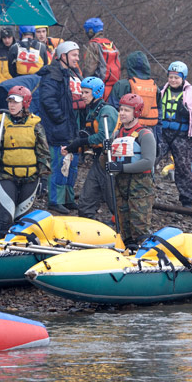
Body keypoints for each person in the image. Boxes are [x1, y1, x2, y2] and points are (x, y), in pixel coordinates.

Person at [0, 86, 50, 238]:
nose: (12, 105)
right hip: (7, 176)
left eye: (16, 102)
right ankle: (1, 242)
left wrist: (44, 179)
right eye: (10, 101)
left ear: (25, 103)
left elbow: (43, 153)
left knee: (21, 220)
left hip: (31, 178)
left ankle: (18, 246)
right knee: (6, 219)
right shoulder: (0, 124)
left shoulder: (35, 125)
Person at [157, 61, 192, 207]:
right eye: (171, 77)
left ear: (183, 78)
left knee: (183, 167)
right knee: (152, 158)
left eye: (176, 77)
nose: (173, 80)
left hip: (183, 136)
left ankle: (187, 199)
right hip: (163, 133)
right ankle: (142, 193)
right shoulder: (161, 91)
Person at [105, 93, 157, 250]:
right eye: (121, 109)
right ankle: (127, 248)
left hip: (140, 185)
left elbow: (148, 162)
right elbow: (106, 164)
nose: (122, 113)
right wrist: (105, 150)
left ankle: (144, 251)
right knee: (123, 222)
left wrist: (121, 168)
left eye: (127, 110)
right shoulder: (116, 135)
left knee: (139, 223)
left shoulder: (145, 134)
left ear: (136, 112)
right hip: (121, 185)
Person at [63, 77, 119, 221]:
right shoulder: (91, 110)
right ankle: (87, 222)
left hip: (109, 160)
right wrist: (72, 148)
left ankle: (126, 228)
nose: (83, 95)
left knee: (112, 198)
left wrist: (80, 142)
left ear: (96, 93)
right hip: (98, 159)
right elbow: (90, 137)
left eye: (86, 92)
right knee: (86, 199)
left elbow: (103, 136)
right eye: (82, 92)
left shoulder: (107, 111)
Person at [37, 41, 82, 214]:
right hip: (59, 127)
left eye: (77, 55)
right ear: (63, 56)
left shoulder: (73, 72)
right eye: (74, 55)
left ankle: (68, 198)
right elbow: (47, 100)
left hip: (73, 126)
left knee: (73, 164)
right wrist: (61, 119)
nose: (77, 59)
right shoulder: (52, 74)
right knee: (59, 163)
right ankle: (55, 200)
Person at [81, 18, 121, 101]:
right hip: (113, 88)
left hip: (98, 87)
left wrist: (84, 82)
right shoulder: (111, 45)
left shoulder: (94, 45)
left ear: (91, 31)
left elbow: (89, 68)